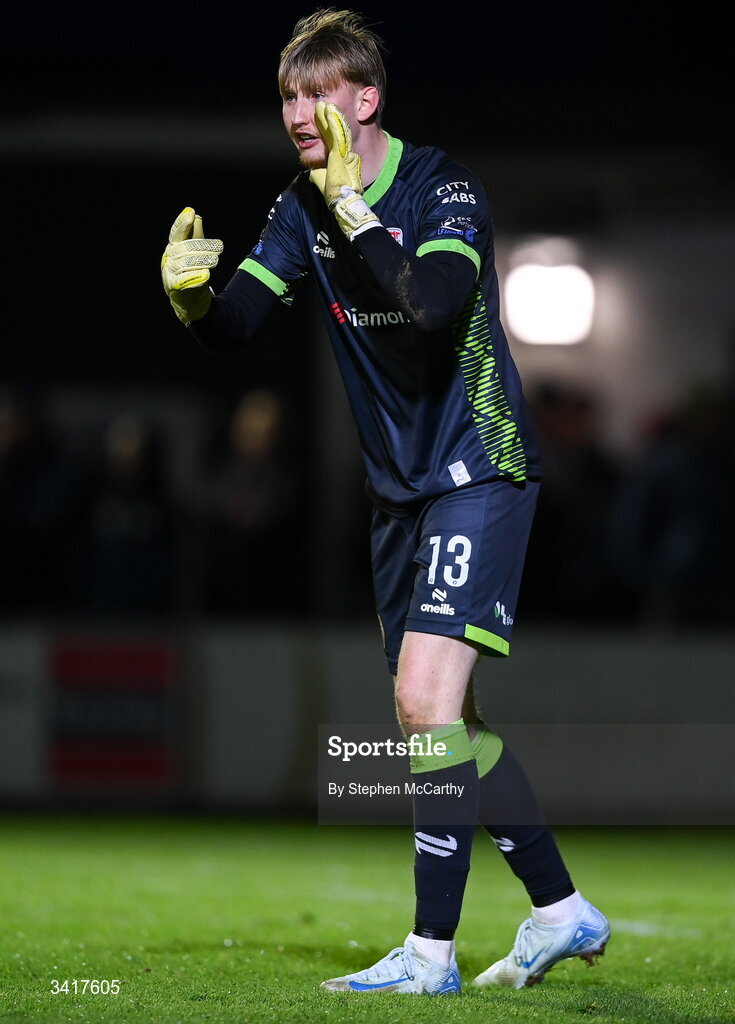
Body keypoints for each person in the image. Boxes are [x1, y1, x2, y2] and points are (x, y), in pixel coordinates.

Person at [160, 7, 609, 996]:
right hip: (397, 493)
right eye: (286, 94)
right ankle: (559, 909)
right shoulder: (298, 207)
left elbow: (433, 306)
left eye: (317, 92)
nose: (297, 111)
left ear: (365, 100)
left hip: (476, 468)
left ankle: (430, 954)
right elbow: (241, 320)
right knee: (446, 723)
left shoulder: (438, 184)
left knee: (424, 703)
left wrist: (349, 207)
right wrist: (195, 304)